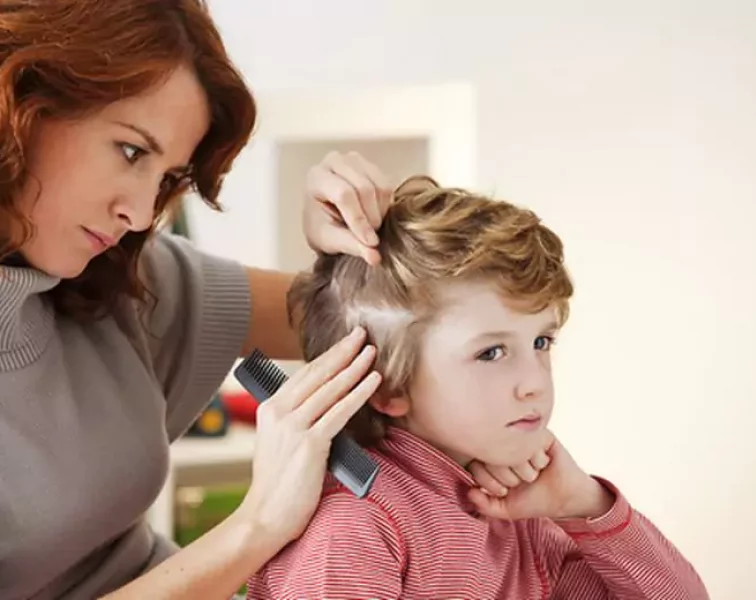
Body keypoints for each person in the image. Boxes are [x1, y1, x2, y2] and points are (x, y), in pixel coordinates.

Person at [0, 1, 407, 599]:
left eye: (166, 179)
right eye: (132, 151)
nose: (140, 213)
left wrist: (348, 250)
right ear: (22, 100)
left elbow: (367, 319)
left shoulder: (113, 276)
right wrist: (257, 525)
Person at [247, 176, 710, 599]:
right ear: (385, 387)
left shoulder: (515, 513)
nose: (534, 382)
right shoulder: (352, 532)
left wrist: (583, 502)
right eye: (491, 353)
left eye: (541, 342)